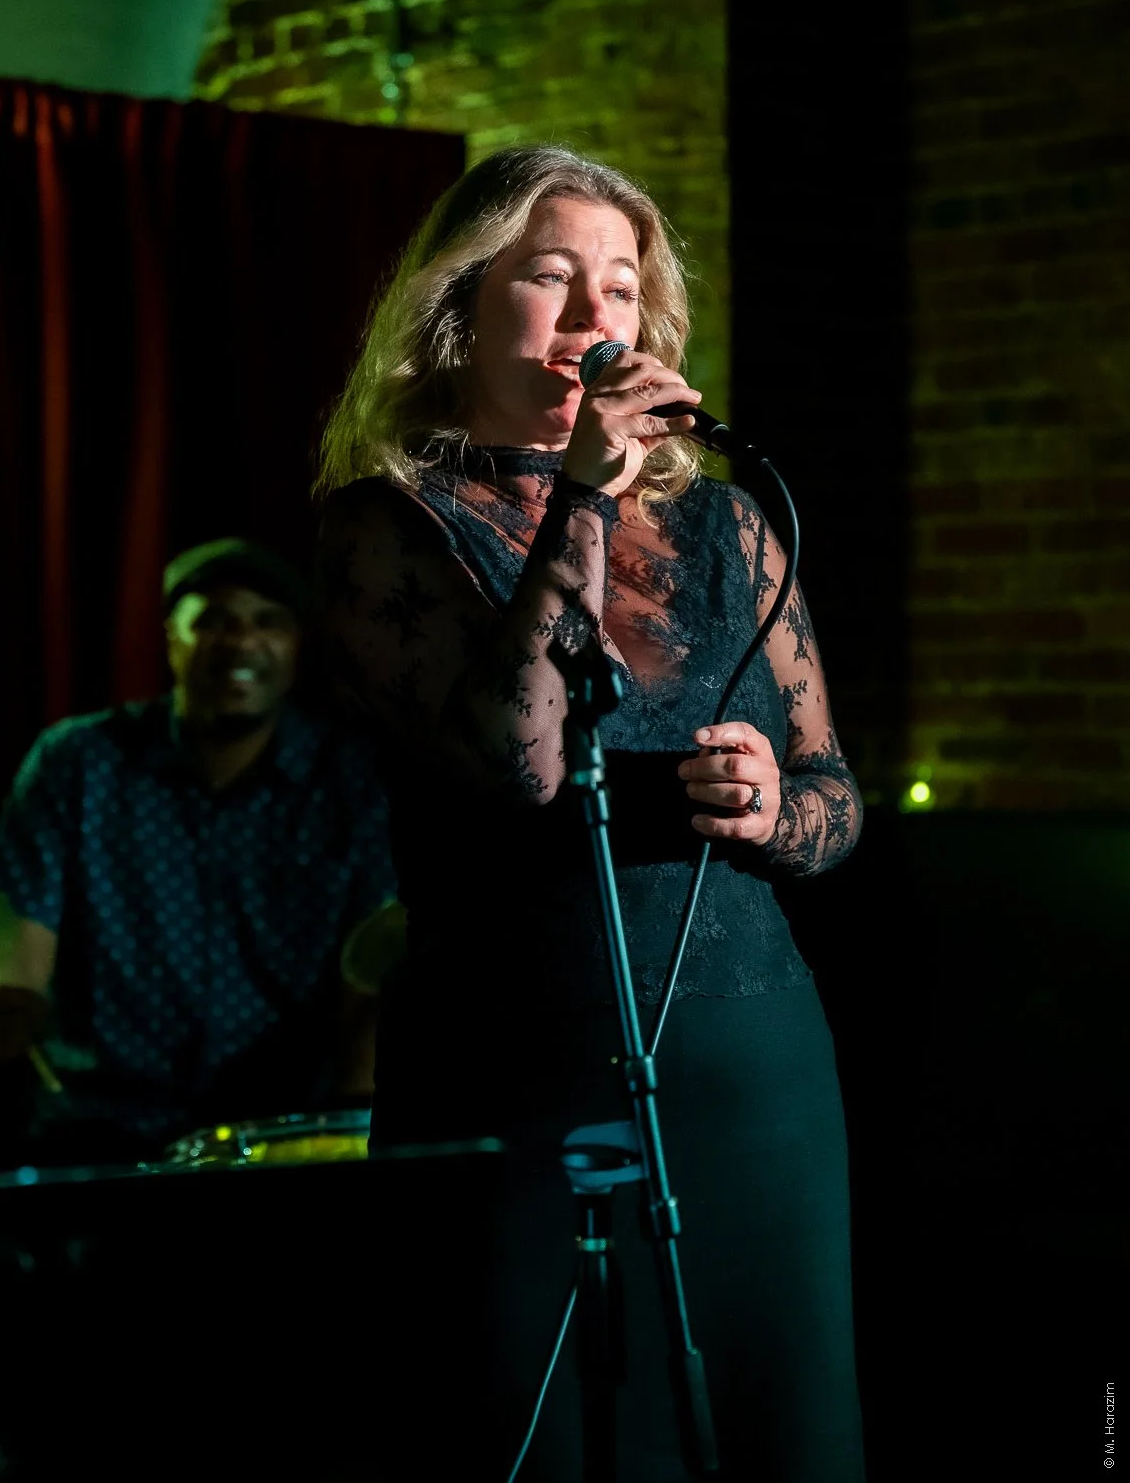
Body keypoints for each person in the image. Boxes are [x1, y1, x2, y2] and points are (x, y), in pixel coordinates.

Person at [316, 146, 866, 1482]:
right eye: (551, 277)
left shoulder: (733, 528)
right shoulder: (389, 523)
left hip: (753, 1068)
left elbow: (840, 795)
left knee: (778, 1431)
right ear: (462, 304)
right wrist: (581, 498)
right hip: (519, 1060)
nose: (591, 319)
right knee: (543, 1436)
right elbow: (520, 765)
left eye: (618, 285)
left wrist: (769, 806)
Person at [0, 537, 396, 1166]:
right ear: (171, 636)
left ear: (297, 644)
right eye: (214, 621)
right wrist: (6, 1000)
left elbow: (378, 963)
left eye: (266, 622)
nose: (240, 643)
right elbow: (16, 937)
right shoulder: (78, 763)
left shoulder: (350, 779)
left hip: (282, 1134)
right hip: (97, 1129)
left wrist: (353, 1126)